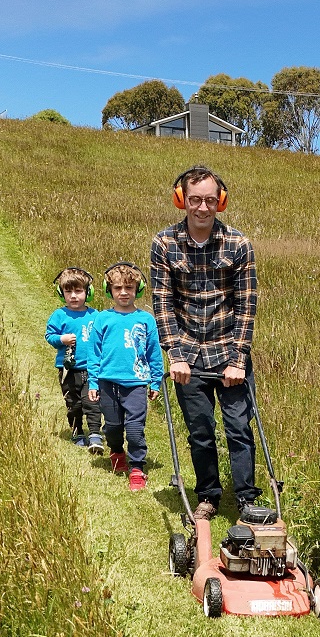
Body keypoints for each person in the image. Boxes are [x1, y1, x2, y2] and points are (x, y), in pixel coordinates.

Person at [150, 164, 262, 520]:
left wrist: (238, 359)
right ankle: (209, 495)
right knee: (200, 430)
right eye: (195, 199)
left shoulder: (238, 244)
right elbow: (162, 302)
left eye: (210, 200)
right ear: (181, 200)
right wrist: (175, 354)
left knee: (239, 429)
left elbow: (246, 305)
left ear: (221, 202)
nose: (202, 207)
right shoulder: (164, 243)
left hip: (230, 349)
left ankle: (246, 497)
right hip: (187, 354)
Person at [87, 262, 163, 492]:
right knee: (112, 426)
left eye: (129, 288)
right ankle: (117, 452)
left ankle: (137, 467)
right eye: (118, 287)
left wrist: (156, 380)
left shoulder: (146, 319)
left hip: (136, 383)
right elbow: (94, 352)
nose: (123, 292)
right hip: (107, 381)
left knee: (135, 428)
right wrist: (93, 381)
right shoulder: (102, 319)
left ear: (138, 290)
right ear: (109, 289)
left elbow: (154, 352)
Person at [45, 267, 101, 447]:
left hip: (91, 368)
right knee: (73, 404)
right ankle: (77, 432)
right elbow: (50, 336)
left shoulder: (96, 316)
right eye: (68, 292)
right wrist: (62, 339)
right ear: (61, 294)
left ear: (88, 292)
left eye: (78, 291)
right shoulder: (59, 315)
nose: (73, 296)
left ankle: (94, 434)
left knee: (92, 402)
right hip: (67, 369)